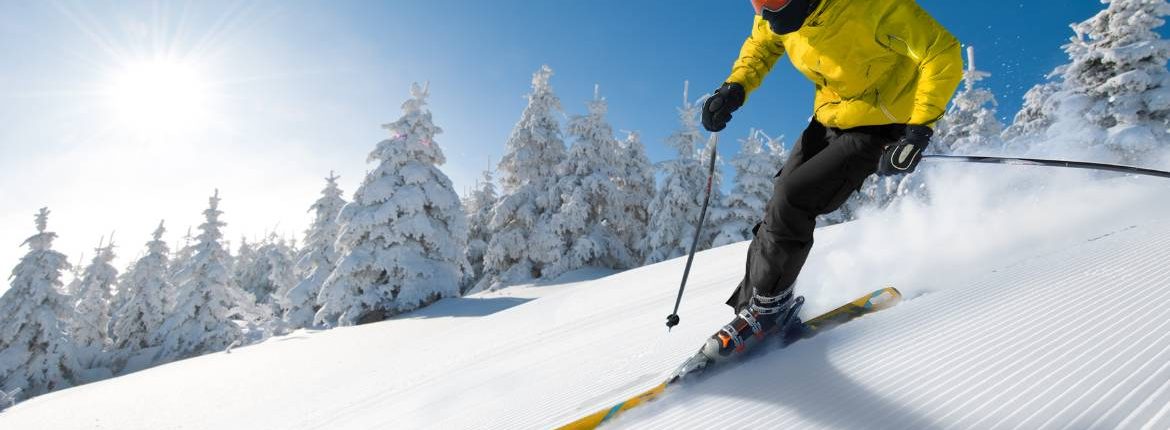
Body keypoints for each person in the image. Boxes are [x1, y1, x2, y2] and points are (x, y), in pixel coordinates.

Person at [698, 0, 962, 361]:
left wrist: (918, 131)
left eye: (774, 2)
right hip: (829, 118)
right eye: (759, 4)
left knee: (795, 197)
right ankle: (755, 311)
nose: (768, 14)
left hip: (881, 124)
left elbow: (940, 52)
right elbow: (762, 44)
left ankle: (767, 314)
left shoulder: (873, 8)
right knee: (780, 202)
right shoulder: (772, 18)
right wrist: (735, 86)